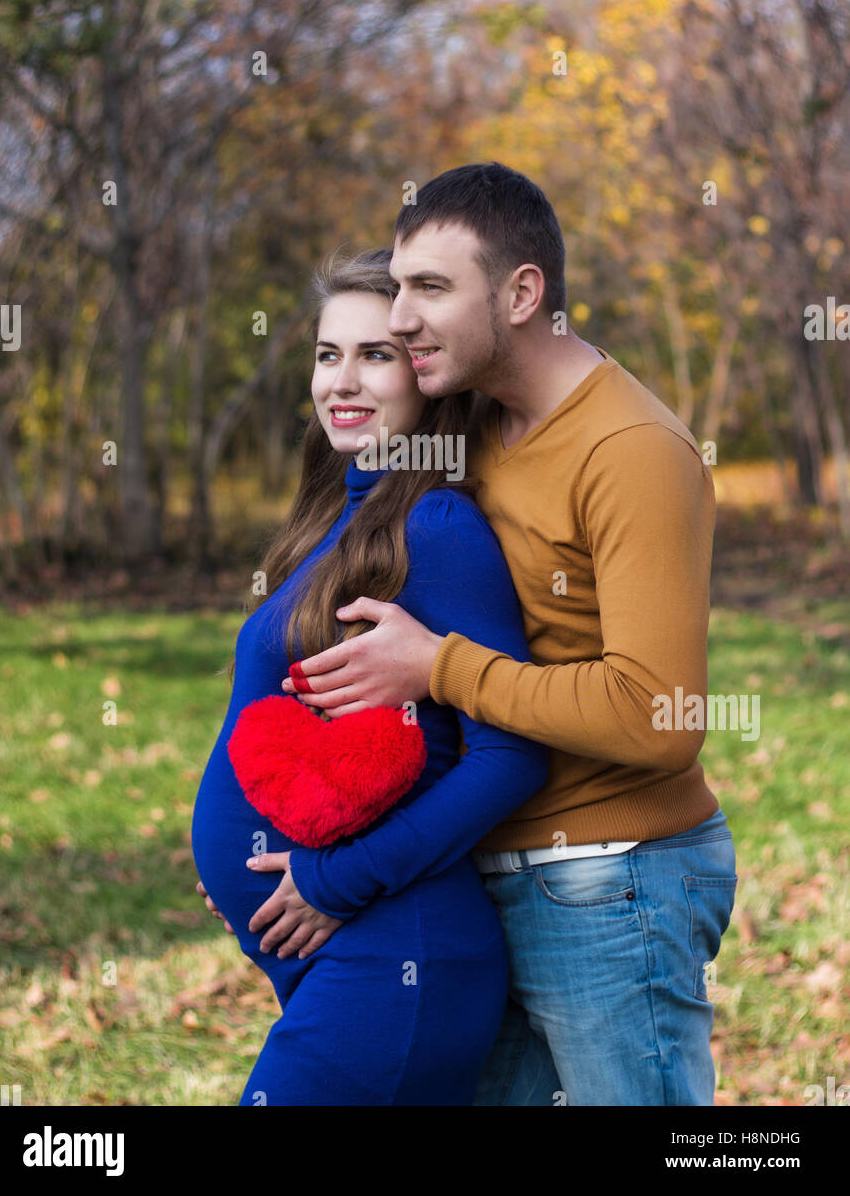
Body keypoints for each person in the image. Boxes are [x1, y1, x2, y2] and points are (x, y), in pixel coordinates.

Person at [273, 163, 738, 1107]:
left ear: (523, 293)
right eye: (398, 286)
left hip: (611, 882)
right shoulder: (472, 423)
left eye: (430, 289)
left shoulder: (633, 452)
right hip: (481, 875)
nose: (400, 318)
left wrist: (439, 667)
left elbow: (660, 716)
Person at [191, 247, 549, 1106]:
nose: (342, 381)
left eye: (375, 354)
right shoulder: (336, 518)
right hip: (339, 950)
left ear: (424, 372)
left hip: (397, 949)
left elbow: (513, 757)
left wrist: (329, 880)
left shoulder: (436, 525)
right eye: (327, 355)